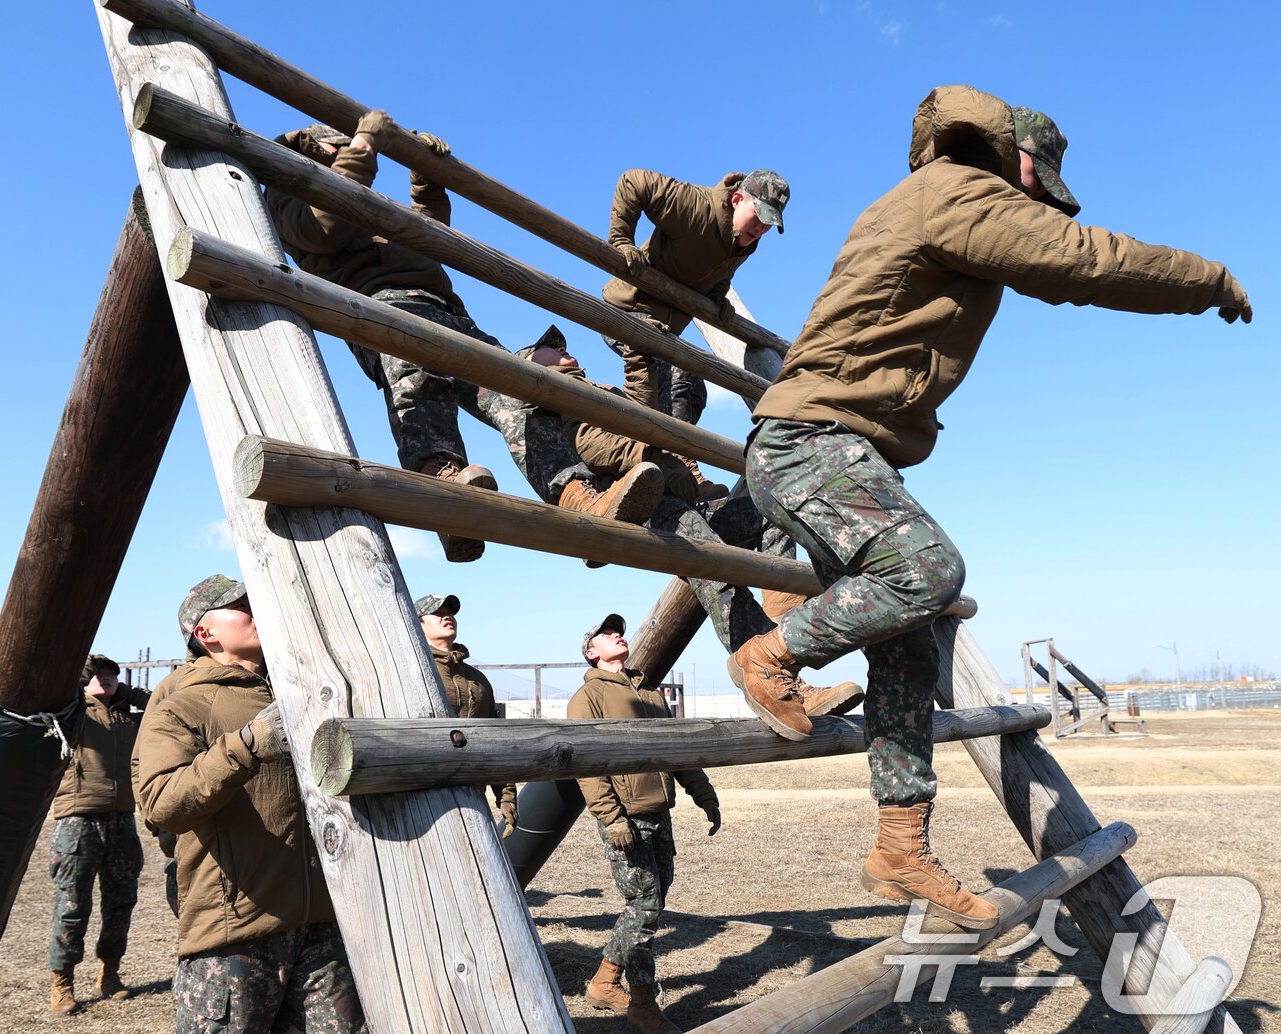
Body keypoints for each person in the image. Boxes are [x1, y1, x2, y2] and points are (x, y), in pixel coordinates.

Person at [732, 85, 1252, 931]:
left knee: (906, 647)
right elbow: (1083, 260)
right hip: (808, 441)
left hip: (841, 444)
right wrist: (1206, 279)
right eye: (1037, 184)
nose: (1036, 201)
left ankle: (901, 843)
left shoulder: (941, 198)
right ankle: (770, 650)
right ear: (1015, 159)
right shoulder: (954, 191)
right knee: (928, 568)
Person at [267, 113, 662, 562]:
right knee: (419, 379)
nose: (351, 156)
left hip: (448, 307)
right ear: (316, 155)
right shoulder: (289, 197)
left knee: (519, 394)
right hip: (382, 303)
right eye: (339, 150)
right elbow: (330, 221)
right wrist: (364, 142)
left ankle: (579, 496)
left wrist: (427, 180)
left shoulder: (363, 201)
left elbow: (427, 236)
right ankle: (445, 494)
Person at [520, 328, 863, 718]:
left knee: (773, 502)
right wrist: (660, 451)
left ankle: (783, 611)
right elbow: (600, 451)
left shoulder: (597, 388)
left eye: (561, 343)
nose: (561, 346)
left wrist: (637, 358)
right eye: (548, 345)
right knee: (715, 570)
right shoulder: (551, 402)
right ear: (530, 358)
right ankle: (768, 671)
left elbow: (640, 407)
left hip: (676, 494)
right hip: (645, 501)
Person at [134, 575, 363, 1033]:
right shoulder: (183, 704)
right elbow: (160, 803)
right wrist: (247, 746)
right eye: (243, 608)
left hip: (325, 925)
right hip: (235, 934)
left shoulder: (305, 691)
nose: (258, 612)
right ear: (205, 634)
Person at [568, 613, 721, 1034]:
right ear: (591, 652)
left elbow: (679, 751)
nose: (618, 633)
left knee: (649, 905)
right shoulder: (588, 697)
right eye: (605, 633)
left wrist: (703, 793)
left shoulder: (651, 692)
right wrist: (611, 818)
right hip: (624, 820)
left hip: (660, 815)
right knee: (645, 906)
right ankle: (641, 1004)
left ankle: (603, 982)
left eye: (618, 629)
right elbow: (587, 765)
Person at [602, 166, 790, 498]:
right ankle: (654, 463)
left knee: (690, 384)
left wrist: (717, 297)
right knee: (667, 374)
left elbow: (716, 269)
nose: (761, 227)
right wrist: (621, 240)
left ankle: (673, 468)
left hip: (663, 328)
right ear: (736, 200)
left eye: (769, 222)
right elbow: (633, 181)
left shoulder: (744, 241)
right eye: (758, 215)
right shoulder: (696, 208)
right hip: (628, 308)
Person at [46, 653, 151, 1014]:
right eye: (98, 674)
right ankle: (62, 983)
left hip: (122, 817)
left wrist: (129, 692)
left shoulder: (128, 718)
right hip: (78, 819)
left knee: (121, 902)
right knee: (73, 905)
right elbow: (59, 694)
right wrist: (86, 670)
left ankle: (110, 972)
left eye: (112, 675)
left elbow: (164, 708)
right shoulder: (72, 714)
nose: (106, 679)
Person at [415, 592, 517, 834]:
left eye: (450, 613)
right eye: (438, 613)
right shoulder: (410, 671)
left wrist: (506, 794)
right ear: (416, 624)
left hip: (473, 798)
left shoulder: (478, 680)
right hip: (420, 800)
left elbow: (495, 738)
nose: (447, 617)